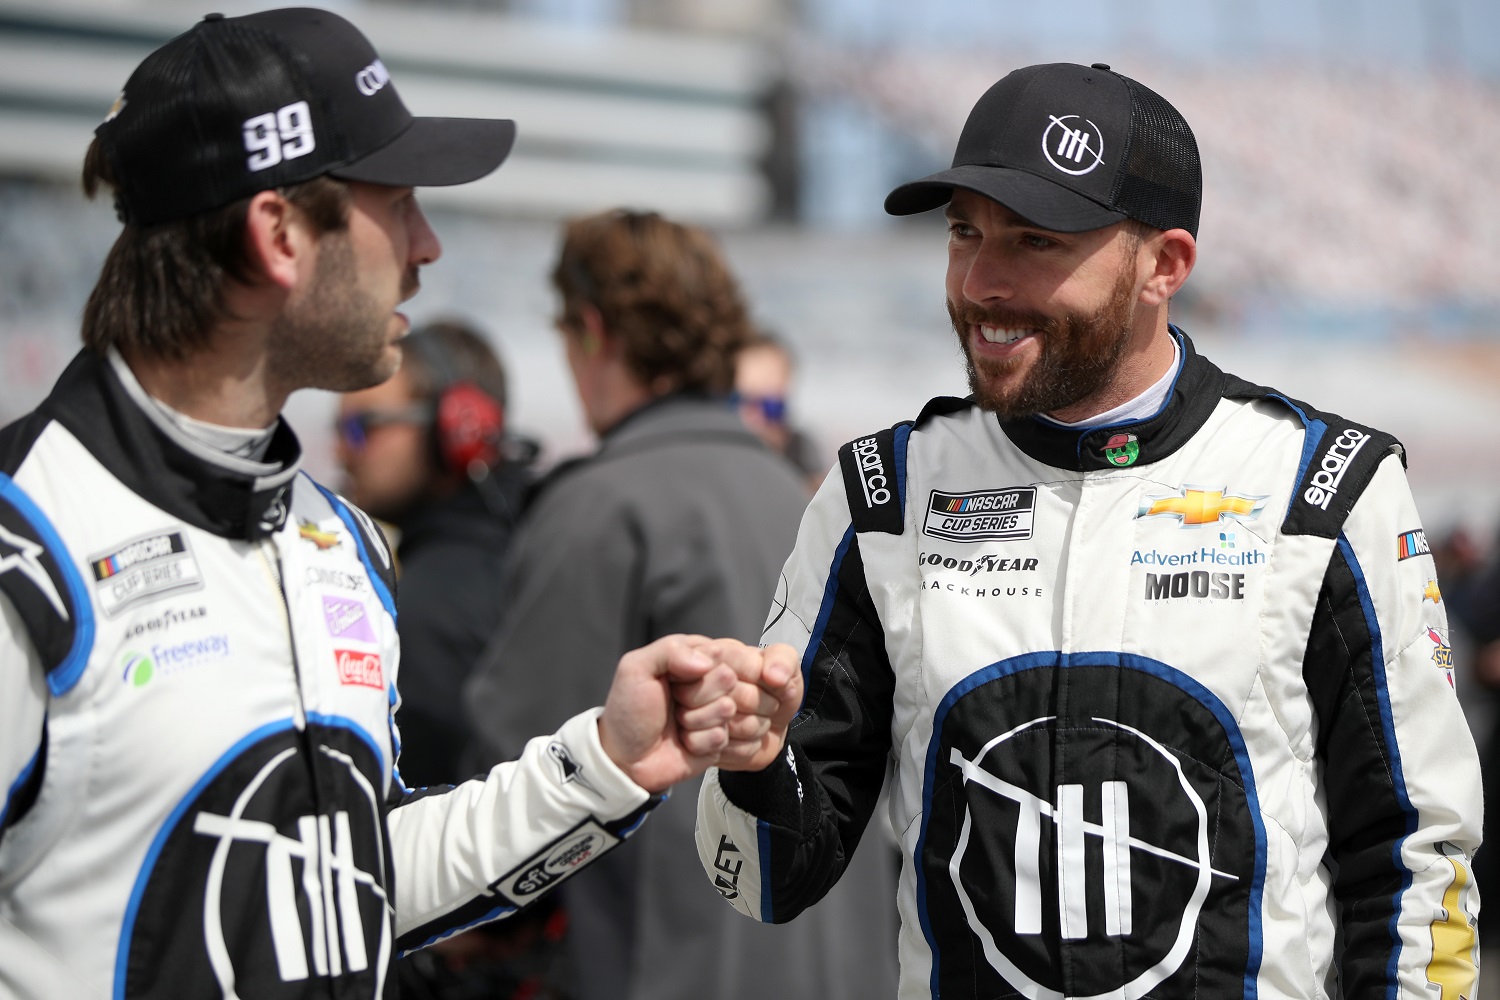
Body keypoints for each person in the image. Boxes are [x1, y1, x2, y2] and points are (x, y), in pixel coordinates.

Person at [0, 11, 799, 999]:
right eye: (401, 202)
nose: (426, 248)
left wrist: (606, 759)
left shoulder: (337, 541)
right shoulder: (25, 544)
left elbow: (361, 881)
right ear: (279, 233)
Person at [696, 61, 1481, 998]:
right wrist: (753, 764)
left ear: (1166, 265)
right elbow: (765, 880)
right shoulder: (883, 493)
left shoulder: (1325, 487)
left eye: (1034, 240)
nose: (982, 282)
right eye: (963, 233)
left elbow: (1415, 860)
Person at [465, 209, 899, 1000]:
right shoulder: (808, 503)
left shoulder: (602, 505)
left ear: (592, 332)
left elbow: (505, 788)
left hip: (678, 969)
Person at [338, 319, 536, 790]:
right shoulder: (544, 535)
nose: (342, 450)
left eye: (360, 428)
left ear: (458, 430)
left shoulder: (427, 609)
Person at [732, 331, 825, 489]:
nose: (757, 419)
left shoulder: (801, 451)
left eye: (772, 407)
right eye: (740, 401)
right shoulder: (721, 455)